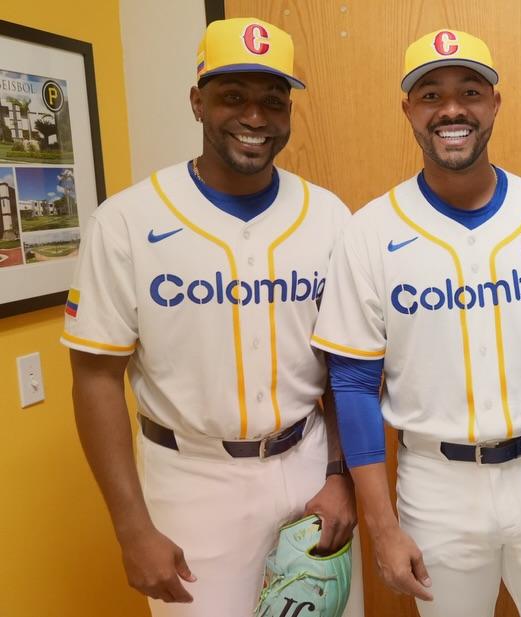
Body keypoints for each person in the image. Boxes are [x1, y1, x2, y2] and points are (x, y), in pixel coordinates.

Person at [311, 29, 521, 617]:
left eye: (470, 91)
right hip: (435, 484)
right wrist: (382, 526)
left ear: (494, 104)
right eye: (431, 94)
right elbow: (353, 385)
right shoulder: (370, 232)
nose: (452, 108)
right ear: (408, 110)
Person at [62, 18, 363, 616]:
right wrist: (132, 528)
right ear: (197, 101)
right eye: (233, 97)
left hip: (308, 466)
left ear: (289, 114)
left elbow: (344, 366)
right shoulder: (127, 221)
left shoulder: (329, 217)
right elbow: (94, 377)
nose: (255, 117)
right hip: (191, 479)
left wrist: (341, 476)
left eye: (273, 102)